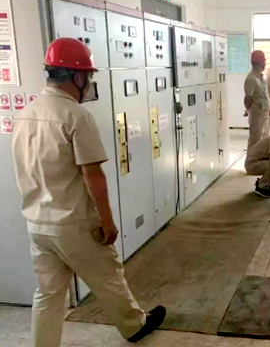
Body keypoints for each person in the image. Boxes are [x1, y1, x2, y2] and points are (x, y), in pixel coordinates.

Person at [11, 38, 165, 347]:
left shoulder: (26, 113)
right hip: (73, 223)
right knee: (108, 275)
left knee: (48, 293)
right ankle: (134, 326)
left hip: (38, 224)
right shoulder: (76, 116)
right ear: (77, 77)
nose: (91, 83)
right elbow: (92, 174)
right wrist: (106, 220)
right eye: (89, 77)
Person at [244, 50, 270, 151]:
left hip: (265, 114)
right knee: (255, 140)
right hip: (257, 115)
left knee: (264, 140)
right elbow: (248, 99)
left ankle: (260, 158)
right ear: (260, 63)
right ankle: (251, 159)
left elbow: (264, 96)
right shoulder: (251, 79)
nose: (265, 64)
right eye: (264, 61)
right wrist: (250, 111)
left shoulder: (260, 77)